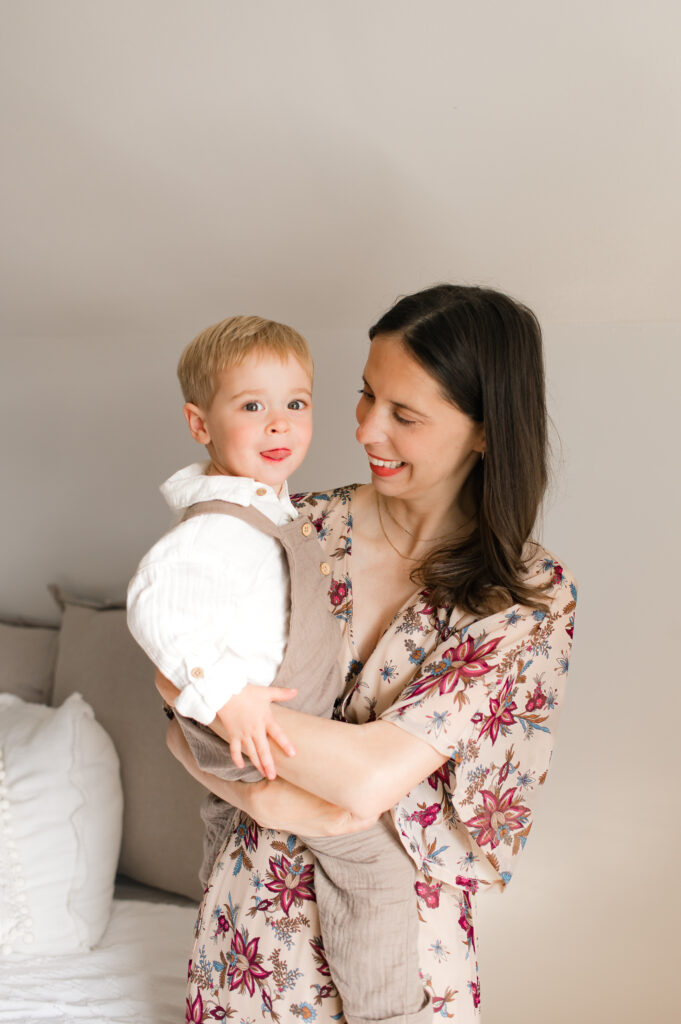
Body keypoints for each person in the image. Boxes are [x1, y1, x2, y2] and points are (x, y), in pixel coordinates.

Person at [160, 284, 577, 1024]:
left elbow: (371, 774)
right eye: (364, 396)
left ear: (484, 432)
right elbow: (171, 699)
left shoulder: (524, 596)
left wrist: (233, 734)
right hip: (254, 929)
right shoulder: (294, 526)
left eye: (404, 416)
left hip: (402, 945)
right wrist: (257, 791)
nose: (365, 431)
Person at [127, 315, 430, 1024]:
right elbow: (155, 605)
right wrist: (227, 698)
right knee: (372, 865)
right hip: (251, 727)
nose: (277, 425)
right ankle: (388, 1014)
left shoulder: (273, 511)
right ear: (199, 424)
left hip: (264, 723)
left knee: (295, 839)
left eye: (295, 403)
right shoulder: (216, 528)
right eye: (251, 406)